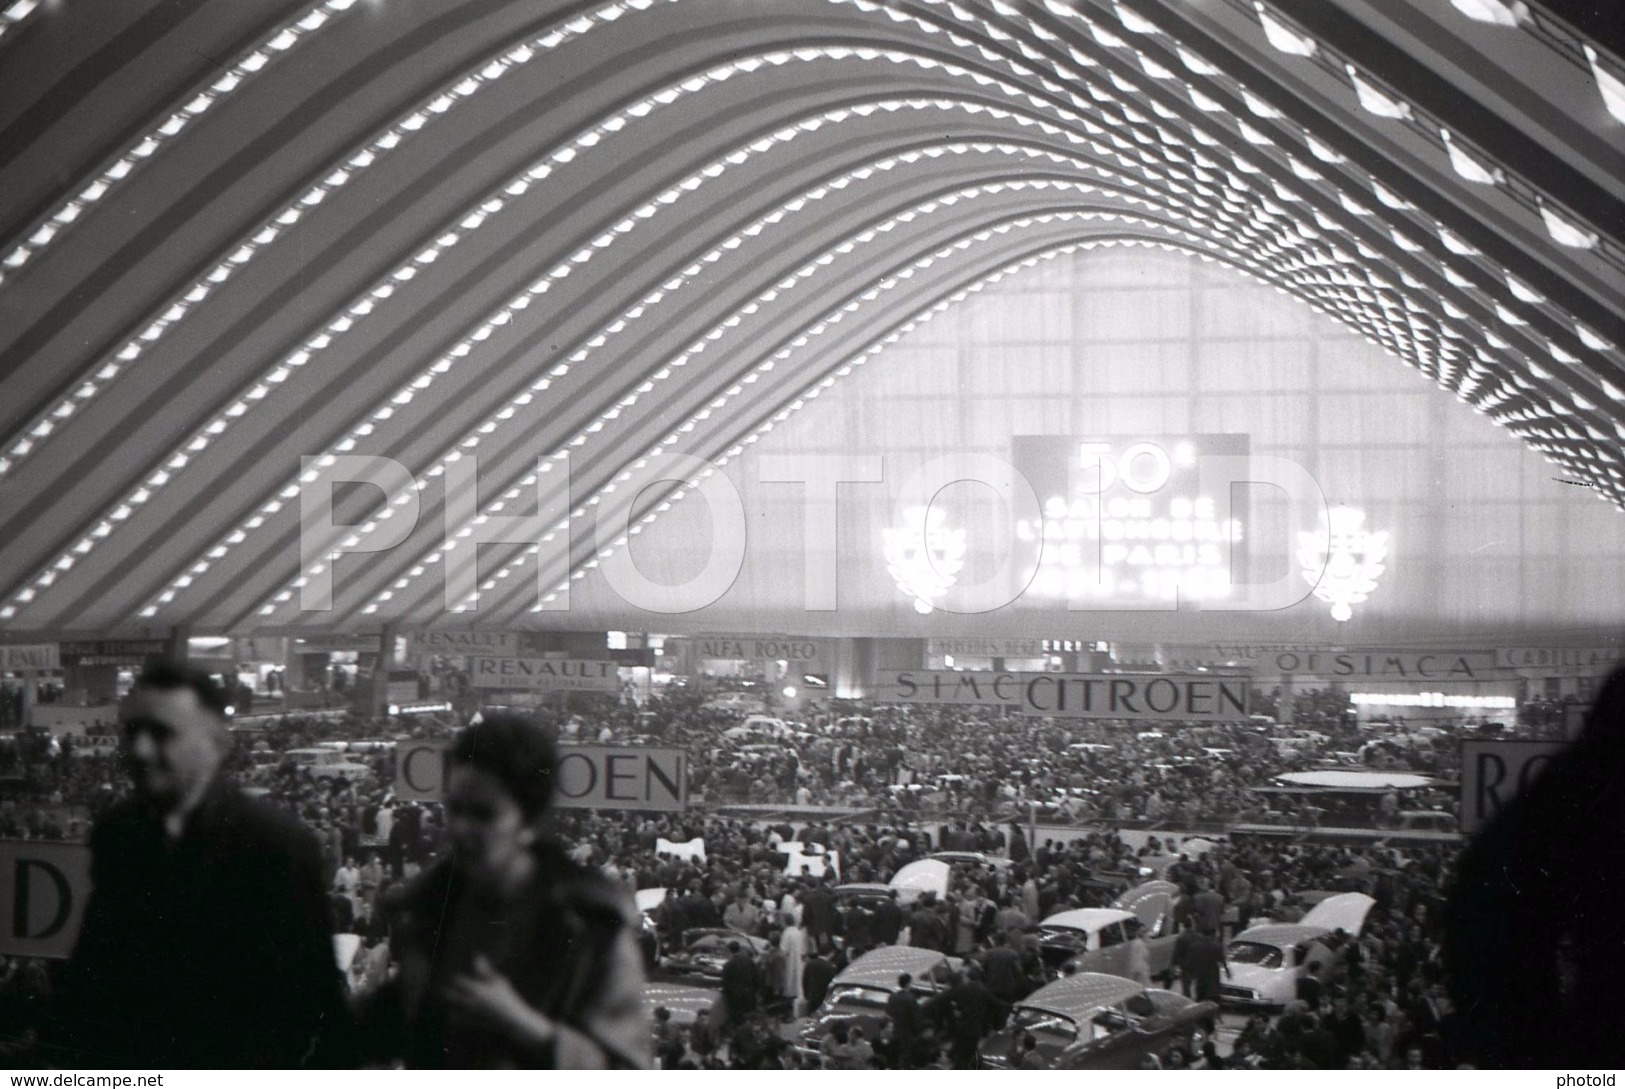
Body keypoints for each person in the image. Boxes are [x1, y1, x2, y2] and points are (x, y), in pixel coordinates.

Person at [48, 662, 353, 1068]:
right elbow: (97, 963)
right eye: (132, 731)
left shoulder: (275, 846)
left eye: (161, 733)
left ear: (215, 742)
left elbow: (312, 999)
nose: (139, 750)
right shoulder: (118, 832)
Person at [356, 714, 648, 1067]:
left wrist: (523, 1023)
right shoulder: (429, 908)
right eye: (455, 809)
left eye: (483, 814)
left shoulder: (592, 926)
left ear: (529, 820)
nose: (461, 828)